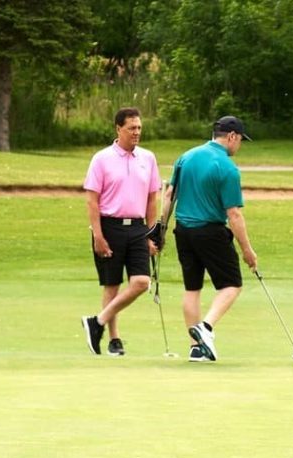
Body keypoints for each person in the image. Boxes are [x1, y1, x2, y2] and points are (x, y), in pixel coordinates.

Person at [156, 115, 258, 362]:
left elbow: (169, 195)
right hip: (210, 232)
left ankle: (196, 348)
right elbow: (233, 214)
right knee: (231, 285)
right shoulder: (227, 167)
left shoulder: (187, 156)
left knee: (192, 288)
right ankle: (206, 327)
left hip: (183, 231)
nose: (239, 146)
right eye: (240, 140)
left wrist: (160, 229)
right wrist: (247, 250)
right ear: (231, 137)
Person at [81, 107, 161, 355]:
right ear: (118, 128)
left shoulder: (148, 158)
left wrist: (152, 233)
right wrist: (98, 235)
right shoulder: (102, 158)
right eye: (131, 128)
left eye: (139, 128)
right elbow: (92, 201)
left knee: (141, 282)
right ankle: (114, 340)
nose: (136, 132)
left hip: (138, 228)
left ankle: (98, 322)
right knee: (112, 285)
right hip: (110, 226)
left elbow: (151, 199)